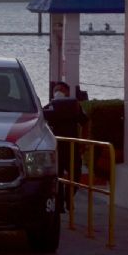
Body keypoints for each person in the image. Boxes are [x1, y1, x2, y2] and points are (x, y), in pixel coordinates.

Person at [43, 81, 88, 212]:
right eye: (55, 90)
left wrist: (83, 142)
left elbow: (85, 122)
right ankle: (60, 204)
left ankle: (68, 197)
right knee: (57, 177)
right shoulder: (50, 107)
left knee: (76, 176)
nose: (58, 92)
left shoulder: (75, 107)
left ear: (67, 93)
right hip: (56, 149)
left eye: (61, 89)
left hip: (72, 148)